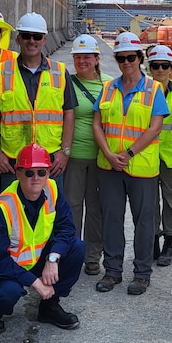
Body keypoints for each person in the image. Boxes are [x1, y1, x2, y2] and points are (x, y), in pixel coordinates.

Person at [0, 143, 84, 333]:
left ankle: (49, 306)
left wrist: (53, 258)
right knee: (7, 293)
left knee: (76, 248)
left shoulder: (52, 190)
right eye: (29, 173)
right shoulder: (1, 209)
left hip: (31, 259)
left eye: (41, 172)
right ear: (18, 173)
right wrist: (35, 282)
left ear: (48, 173)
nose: (36, 178)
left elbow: (66, 229)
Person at [92, 31, 168, 296]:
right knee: (112, 220)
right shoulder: (107, 88)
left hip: (141, 168)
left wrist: (129, 154)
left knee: (144, 223)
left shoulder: (154, 89)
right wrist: (109, 154)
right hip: (109, 166)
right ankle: (112, 272)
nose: (126, 63)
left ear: (140, 58)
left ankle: (141, 274)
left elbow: (154, 127)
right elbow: (97, 124)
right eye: (121, 58)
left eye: (131, 58)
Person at [0, 12, 76, 193]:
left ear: (44, 39)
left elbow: (69, 113)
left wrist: (65, 152)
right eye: (26, 36)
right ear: (18, 39)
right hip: (13, 162)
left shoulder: (59, 71)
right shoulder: (3, 72)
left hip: (50, 160)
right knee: (13, 215)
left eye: (37, 36)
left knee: (49, 215)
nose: (31, 41)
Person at [65, 34, 111, 276]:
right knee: (72, 208)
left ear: (96, 59)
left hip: (101, 158)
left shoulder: (110, 85)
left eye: (87, 57)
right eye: (78, 57)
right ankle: (73, 253)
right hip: (73, 157)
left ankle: (93, 256)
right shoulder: (65, 83)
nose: (82, 61)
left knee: (96, 209)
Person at [146, 44, 172, 267]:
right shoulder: (143, 92)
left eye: (164, 65)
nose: (160, 69)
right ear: (149, 68)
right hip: (148, 156)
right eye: (155, 65)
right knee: (149, 203)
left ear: (171, 67)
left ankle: (168, 245)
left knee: (171, 201)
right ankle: (152, 242)